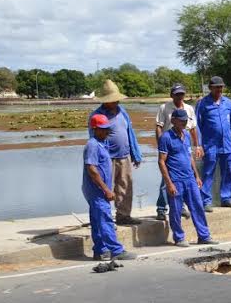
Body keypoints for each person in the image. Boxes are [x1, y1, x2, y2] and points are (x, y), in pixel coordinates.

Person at [157, 109, 217, 247]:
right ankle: (179, 238)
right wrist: (169, 183)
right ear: (173, 121)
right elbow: (161, 161)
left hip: (190, 178)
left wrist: (196, 176)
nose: (184, 122)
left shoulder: (186, 135)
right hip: (176, 179)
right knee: (176, 210)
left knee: (198, 206)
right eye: (181, 120)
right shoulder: (166, 137)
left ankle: (204, 235)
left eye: (185, 120)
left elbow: (189, 157)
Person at [88, 79, 142, 225]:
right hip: (107, 158)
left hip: (124, 156)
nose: (116, 102)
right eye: (113, 100)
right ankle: (105, 219)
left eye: (117, 99)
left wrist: (135, 153)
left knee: (125, 186)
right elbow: (94, 140)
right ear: (105, 101)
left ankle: (123, 216)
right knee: (106, 188)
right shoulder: (97, 116)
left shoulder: (122, 112)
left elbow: (129, 132)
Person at [83, 114, 135, 261]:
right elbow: (92, 169)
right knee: (105, 219)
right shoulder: (92, 145)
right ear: (95, 129)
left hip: (98, 190)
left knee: (97, 220)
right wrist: (106, 189)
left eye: (107, 129)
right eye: (103, 129)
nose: (107, 132)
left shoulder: (102, 143)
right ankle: (116, 250)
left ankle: (100, 250)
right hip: (97, 191)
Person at [194, 75, 231, 212]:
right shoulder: (202, 104)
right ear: (210, 88)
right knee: (208, 172)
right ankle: (206, 200)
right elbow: (197, 126)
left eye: (221, 87)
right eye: (216, 87)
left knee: (228, 172)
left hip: (226, 144)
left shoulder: (228, 103)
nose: (219, 89)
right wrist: (199, 145)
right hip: (210, 145)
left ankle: (226, 198)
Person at [155, 83, 201, 221]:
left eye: (182, 94)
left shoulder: (189, 109)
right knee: (166, 179)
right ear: (172, 95)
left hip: (183, 144)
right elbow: (159, 127)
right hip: (169, 145)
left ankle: (181, 207)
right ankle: (162, 208)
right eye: (177, 94)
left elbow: (192, 128)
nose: (179, 96)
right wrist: (160, 145)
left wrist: (197, 146)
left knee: (185, 179)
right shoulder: (164, 108)